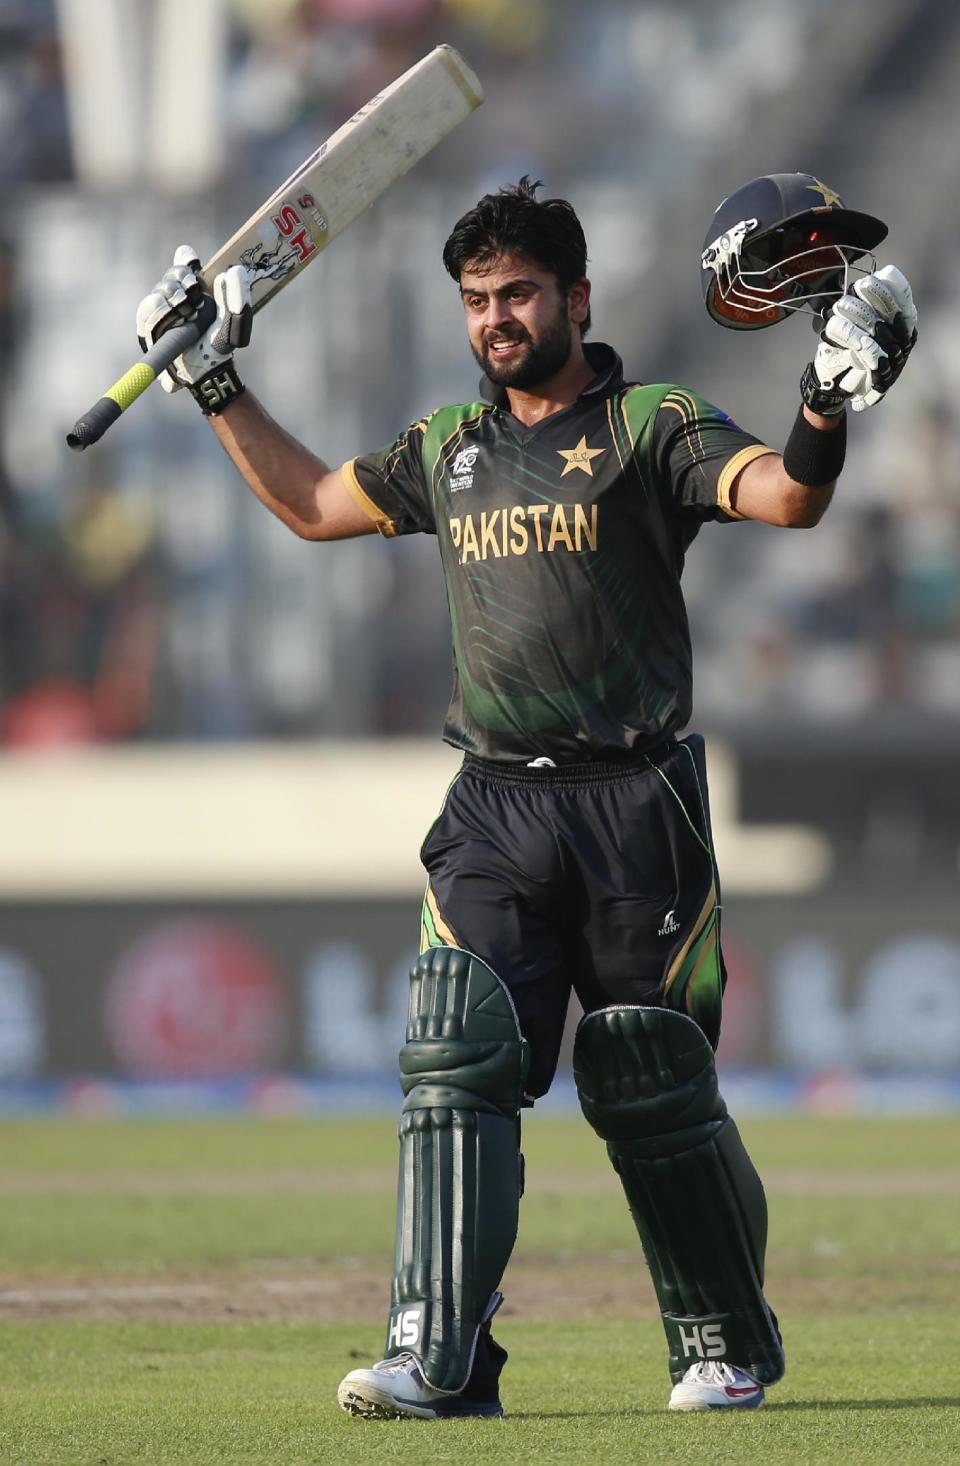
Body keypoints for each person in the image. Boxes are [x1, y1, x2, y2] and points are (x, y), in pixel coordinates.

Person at [137, 175, 917, 1416]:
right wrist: (213, 381)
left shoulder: (651, 423)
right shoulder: (448, 448)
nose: (496, 317)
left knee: (649, 1079)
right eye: (477, 299)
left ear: (576, 298)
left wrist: (825, 397)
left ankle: (721, 1338)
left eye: (517, 294)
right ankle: (438, 1357)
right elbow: (311, 506)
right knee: (455, 1059)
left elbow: (792, 495)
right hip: (496, 803)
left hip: (636, 807)